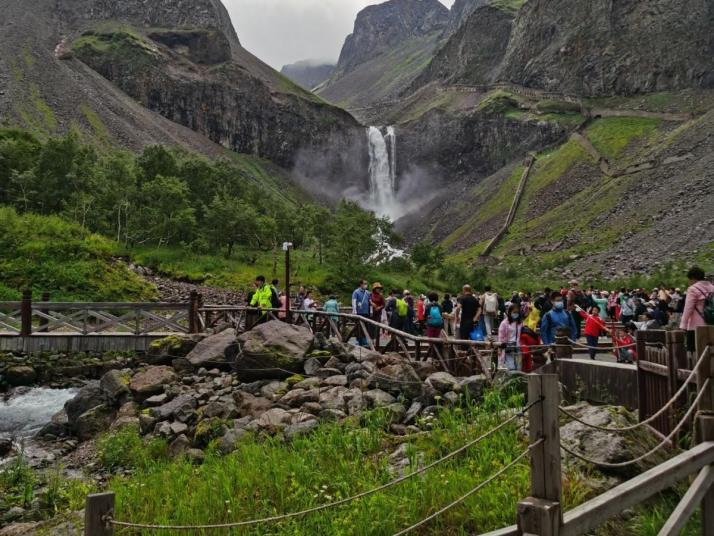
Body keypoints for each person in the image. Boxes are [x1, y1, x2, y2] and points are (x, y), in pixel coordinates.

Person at [680, 266, 714, 352]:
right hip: (711, 324)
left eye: (689, 279)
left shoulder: (693, 289)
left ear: (693, 278)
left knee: (695, 352)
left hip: (695, 327)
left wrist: (683, 325)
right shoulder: (712, 287)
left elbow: (688, 308)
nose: (689, 282)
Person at [498, 303, 522, 371]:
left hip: (517, 346)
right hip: (507, 347)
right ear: (510, 312)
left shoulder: (519, 322)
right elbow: (500, 336)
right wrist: (499, 348)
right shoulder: (504, 323)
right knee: (511, 367)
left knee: (518, 367)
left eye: (517, 312)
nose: (515, 314)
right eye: (514, 312)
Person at [352, 279, 371, 347]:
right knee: (358, 327)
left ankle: (364, 340)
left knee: (365, 326)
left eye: (366, 283)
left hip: (365, 312)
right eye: (364, 283)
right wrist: (354, 311)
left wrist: (370, 311)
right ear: (361, 284)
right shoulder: (356, 292)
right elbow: (354, 301)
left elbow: (370, 302)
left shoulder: (368, 292)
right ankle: (358, 340)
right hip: (359, 312)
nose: (366, 285)